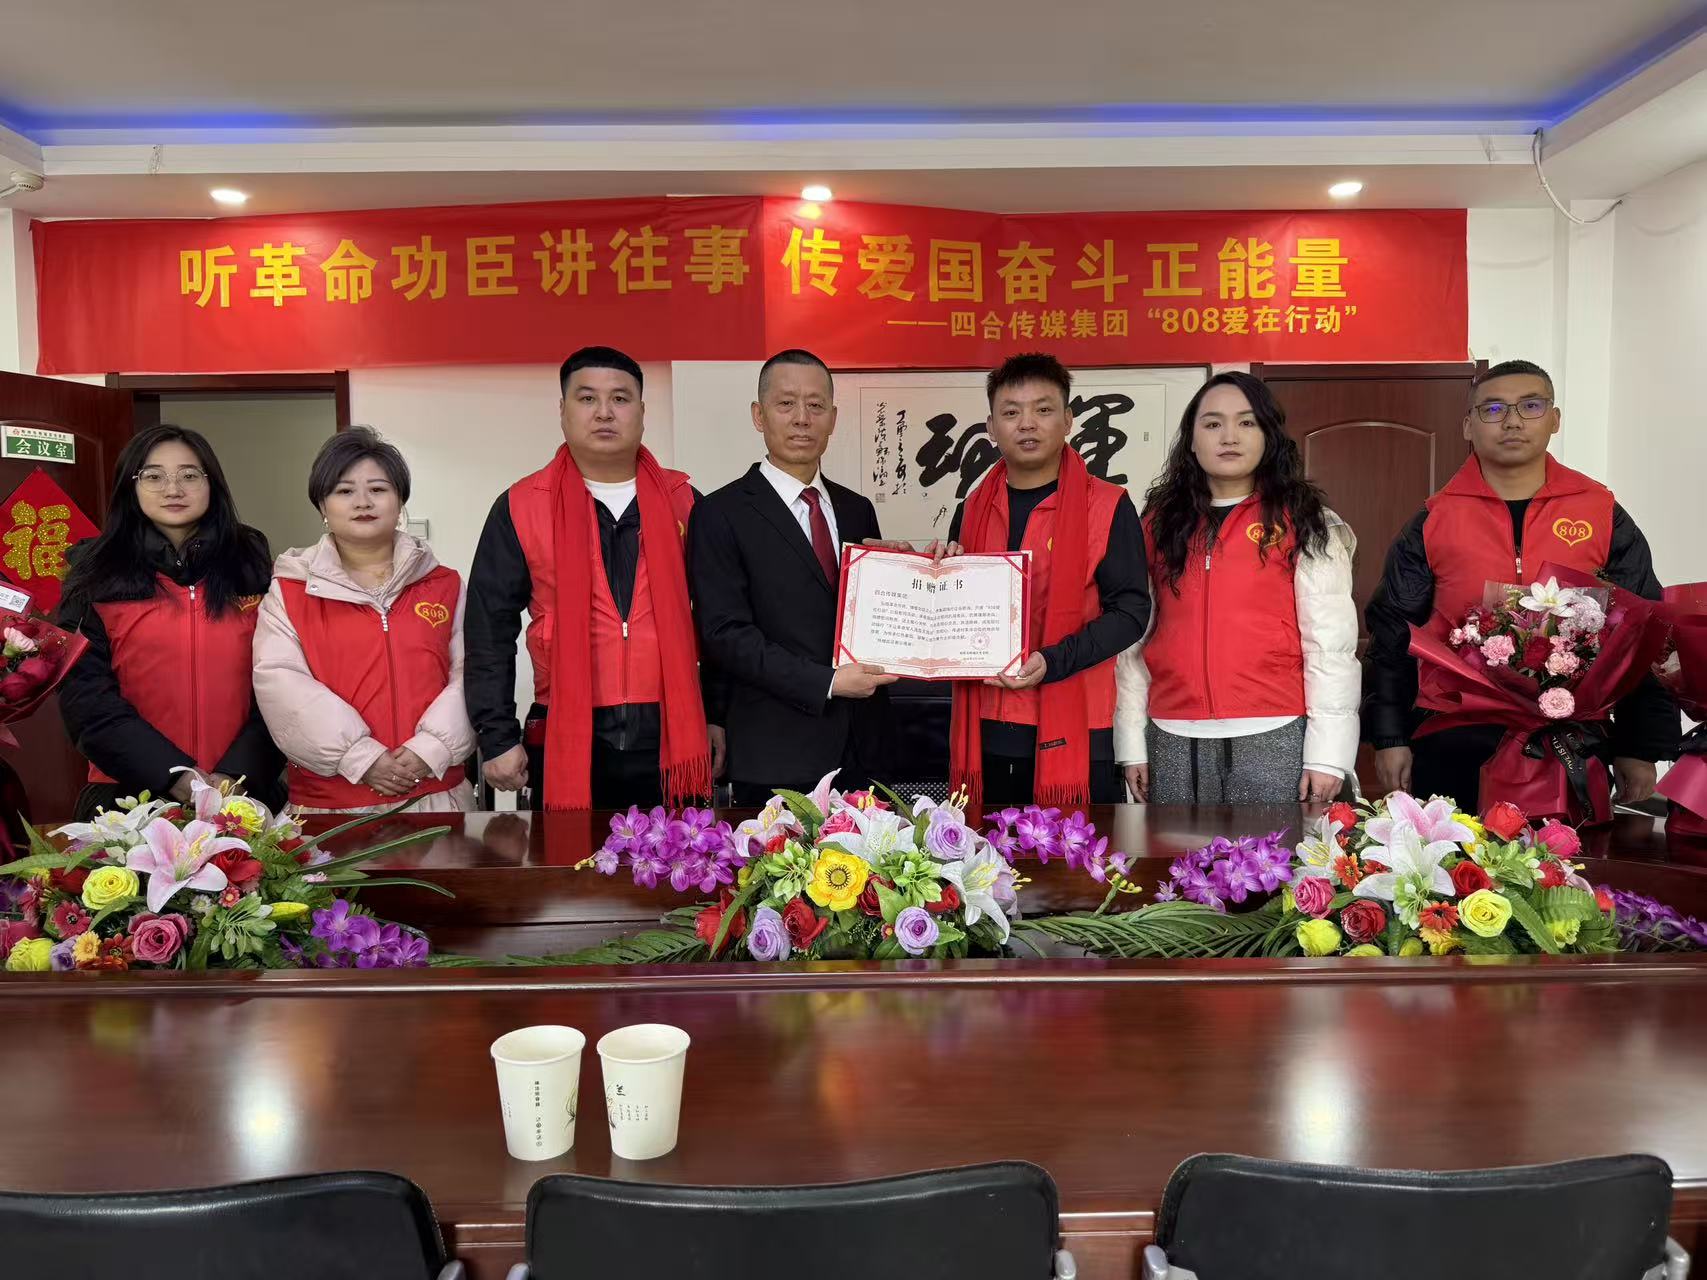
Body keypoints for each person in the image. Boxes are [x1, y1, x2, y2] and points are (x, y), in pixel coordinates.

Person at [1365, 358, 1679, 806]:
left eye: (1530, 406)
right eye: (1492, 409)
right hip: (1455, 737)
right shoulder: (1434, 519)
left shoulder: (1599, 511)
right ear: (1468, 425)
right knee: (1458, 851)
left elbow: (1643, 633)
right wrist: (1390, 736)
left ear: (1555, 419)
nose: (1511, 421)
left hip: (1572, 740)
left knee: (1569, 853)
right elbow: (1393, 633)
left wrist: (1640, 745)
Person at [465, 347, 720, 810]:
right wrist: (496, 735)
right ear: (562, 410)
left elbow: (720, 621)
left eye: (620, 398)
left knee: (678, 855)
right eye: (587, 398)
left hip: (671, 732)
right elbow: (489, 630)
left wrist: (718, 715)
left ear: (642, 412)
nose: (604, 412)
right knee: (569, 857)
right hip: (565, 728)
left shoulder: (685, 501)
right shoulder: (521, 505)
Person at [1116, 371, 1359, 805]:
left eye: (1247, 422)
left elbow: (1331, 646)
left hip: (1275, 730)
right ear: (1192, 440)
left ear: (1268, 435)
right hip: (1172, 731)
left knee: (1274, 851)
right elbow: (1132, 641)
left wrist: (1328, 755)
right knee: (1174, 850)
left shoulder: (1305, 520)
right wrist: (1131, 744)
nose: (1229, 436)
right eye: (1212, 424)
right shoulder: (1159, 524)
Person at [943, 353, 1150, 806]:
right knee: (987, 851)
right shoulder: (972, 509)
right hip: (987, 727)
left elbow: (1131, 612)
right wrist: (940, 575)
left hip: (1078, 726)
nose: (1027, 424)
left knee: (1073, 852)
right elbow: (953, 614)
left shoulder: (1108, 506)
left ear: (1068, 420)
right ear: (991, 427)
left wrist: (1053, 661)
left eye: (1043, 409)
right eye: (1011, 412)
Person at [689, 348, 890, 802]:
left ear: (832, 418)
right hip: (775, 752)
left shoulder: (857, 509)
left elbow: (875, 618)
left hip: (864, 750)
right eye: (786, 404)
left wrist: (921, 574)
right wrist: (827, 682)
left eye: (816, 405)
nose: (802, 418)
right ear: (759, 415)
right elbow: (725, 634)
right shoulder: (720, 512)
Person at [56, 425, 282, 820]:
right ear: (131, 486)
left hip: (243, 797)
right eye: (154, 476)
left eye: (189, 475)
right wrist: (175, 776)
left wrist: (235, 775)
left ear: (212, 484)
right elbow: (85, 699)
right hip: (128, 800)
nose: (173, 489)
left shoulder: (253, 568)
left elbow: (283, 683)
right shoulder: (94, 574)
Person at [252, 428, 475, 814]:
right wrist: (360, 757)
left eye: (378, 489)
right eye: (344, 491)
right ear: (322, 505)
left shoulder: (446, 585)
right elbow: (280, 681)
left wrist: (431, 749)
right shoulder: (289, 590)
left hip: (436, 798)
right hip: (331, 808)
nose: (362, 502)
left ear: (400, 501)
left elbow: (471, 672)